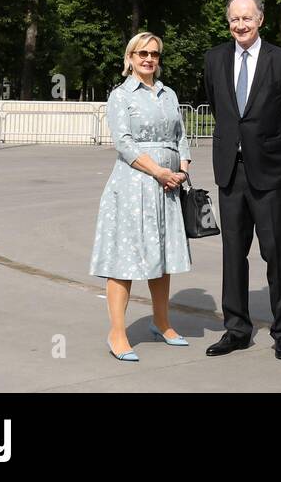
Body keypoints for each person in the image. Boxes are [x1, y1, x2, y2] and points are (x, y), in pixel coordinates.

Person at [203, 0, 281, 361]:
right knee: (233, 254)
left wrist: (267, 145)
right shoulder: (214, 59)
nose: (240, 25)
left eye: (247, 18)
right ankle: (237, 329)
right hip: (231, 171)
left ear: (260, 19)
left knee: (277, 253)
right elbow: (219, 107)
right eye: (234, 19)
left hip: (272, 173)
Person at [90, 32, 192, 362]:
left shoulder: (168, 94)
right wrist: (159, 171)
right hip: (134, 185)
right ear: (130, 58)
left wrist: (182, 168)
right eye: (142, 53)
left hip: (168, 187)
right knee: (124, 259)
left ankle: (162, 322)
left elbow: (181, 136)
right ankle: (117, 332)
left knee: (162, 256)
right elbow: (124, 143)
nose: (149, 59)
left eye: (154, 54)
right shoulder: (121, 96)